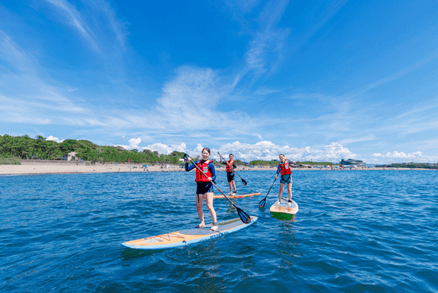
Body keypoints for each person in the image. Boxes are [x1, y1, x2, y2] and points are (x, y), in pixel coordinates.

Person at [185, 148, 218, 231]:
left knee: (209, 206)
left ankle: (215, 224)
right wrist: (187, 162)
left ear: (209, 155)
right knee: (199, 206)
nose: (205, 155)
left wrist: (211, 178)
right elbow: (187, 169)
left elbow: (214, 176)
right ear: (201, 153)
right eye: (203, 153)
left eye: (206, 153)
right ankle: (202, 222)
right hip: (199, 187)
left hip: (208, 187)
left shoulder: (210, 165)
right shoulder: (197, 163)